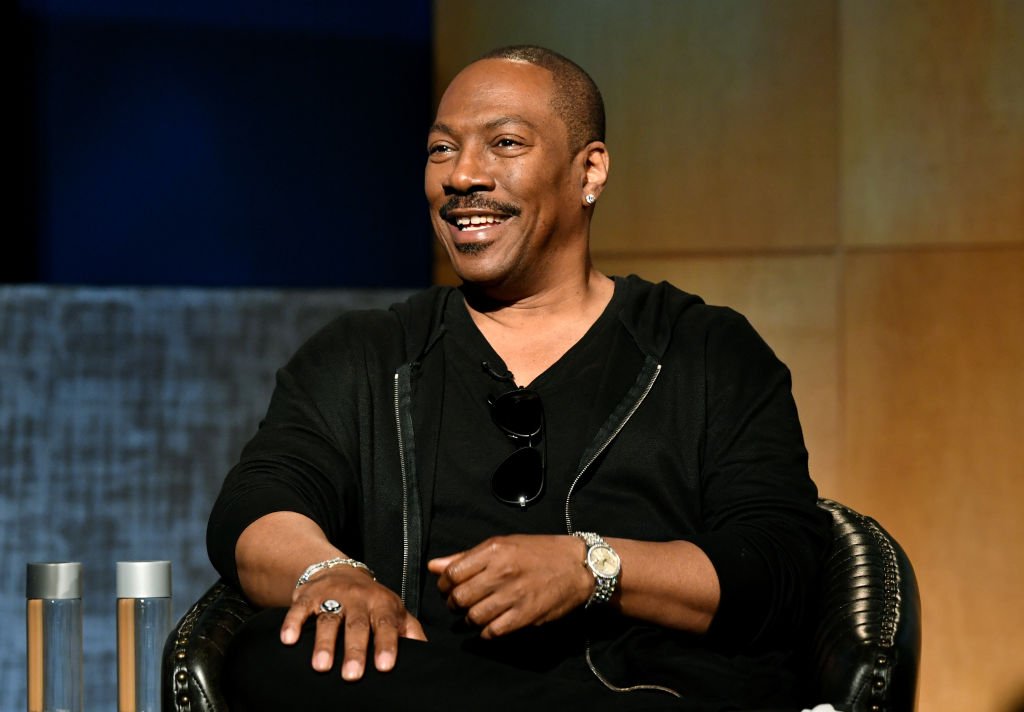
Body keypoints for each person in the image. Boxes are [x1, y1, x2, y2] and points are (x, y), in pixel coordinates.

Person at [207, 45, 831, 711]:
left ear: (588, 171)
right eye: (441, 150)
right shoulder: (367, 353)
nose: (463, 176)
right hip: (425, 683)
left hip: (654, 685)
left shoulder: (704, 351)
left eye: (504, 143)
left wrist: (591, 568)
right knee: (271, 652)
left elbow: (778, 566)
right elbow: (259, 504)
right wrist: (329, 573)